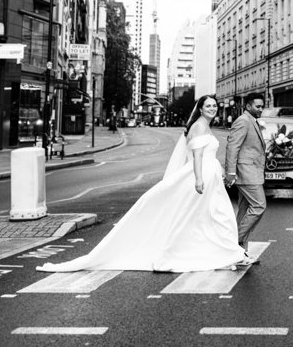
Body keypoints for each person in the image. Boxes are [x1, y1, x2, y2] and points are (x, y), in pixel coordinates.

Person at [37, 95, 252, 272]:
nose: (213, 109)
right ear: (201, 109)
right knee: (212, 215)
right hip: (202, 177)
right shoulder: (198, 126)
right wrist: (198, 179)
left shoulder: (205, 126)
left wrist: (221, 172)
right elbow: (196, 157)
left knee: (211, 216)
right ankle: (216, 253)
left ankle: (225, 252)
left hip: (212, 177)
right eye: (209, 106)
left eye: (214, 106)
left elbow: (209, 154)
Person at [225, 93, 267, 256]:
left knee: (244, 210)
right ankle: (233, 241)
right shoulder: (243, 121)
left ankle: (240, 252)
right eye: (258, 106)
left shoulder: (252, 121)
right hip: (246, 172)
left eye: (262, 106)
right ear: (248, 106)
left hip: (252, 170)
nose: (261, 109)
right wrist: (230, 172)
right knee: (258, 206)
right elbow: (232, 147)